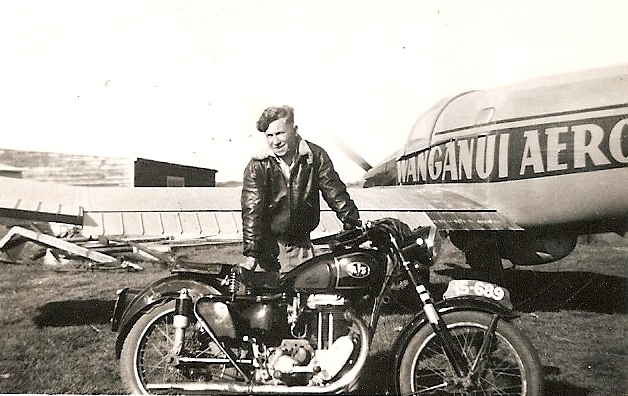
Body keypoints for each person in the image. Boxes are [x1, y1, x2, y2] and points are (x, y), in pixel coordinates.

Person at [240, 105, 360, 274]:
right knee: (268, 298)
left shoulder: (315, 156)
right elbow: (251, 209)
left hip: (301, 248)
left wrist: (352, 225)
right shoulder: (258, 165)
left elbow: (335, 193)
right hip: (268, 250)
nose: (275, 141)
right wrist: (252, 253)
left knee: (310, 295)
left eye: (280, 133)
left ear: (294, 130)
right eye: (269, 135)